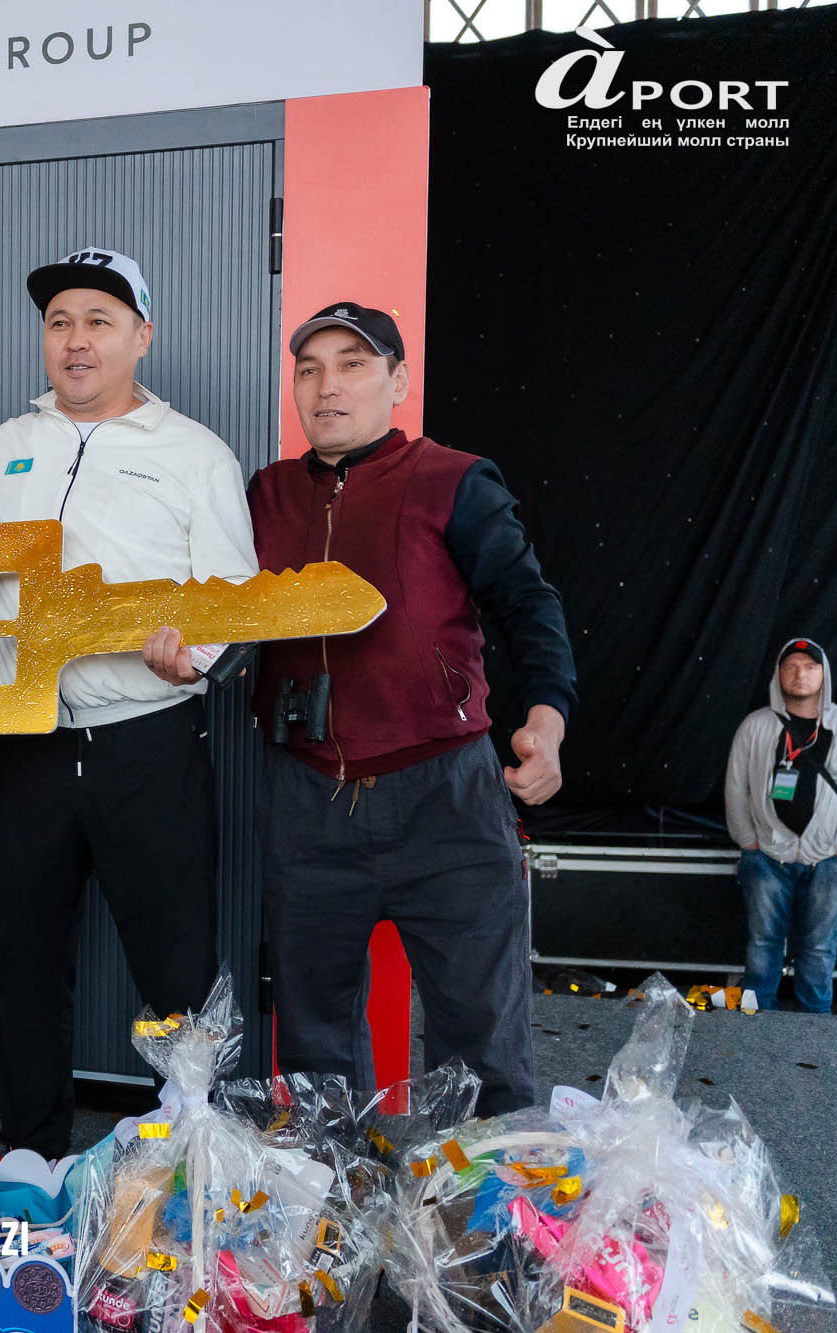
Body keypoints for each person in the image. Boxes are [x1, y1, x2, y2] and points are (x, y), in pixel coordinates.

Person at [0, 246, 258, 1159]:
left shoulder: (194, 452)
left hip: (147, 742)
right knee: (22, 965)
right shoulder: (1, 447)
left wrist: (193, 656)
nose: (75, 341)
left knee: (176, 967)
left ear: (141, 336)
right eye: (59, 323)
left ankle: (193, 1157)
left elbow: (233, 601)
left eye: (99, 322)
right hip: (23, 743)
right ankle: (29, 1156)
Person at [245, 302, 576, 1116]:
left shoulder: (453, 479)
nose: (327, 386)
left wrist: (547, 718)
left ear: (398, 380)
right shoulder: (267, 493)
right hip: (306, 796)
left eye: (352, 364)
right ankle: (335, 1193)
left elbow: (528, 603)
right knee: (314, 1048)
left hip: (446, 796)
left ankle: (489, 1196)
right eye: (309, 369)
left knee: (481, 1037)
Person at [725, 638, 837, 1013]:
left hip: (829, 860)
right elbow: (737, 788)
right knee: (763, 944)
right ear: (778, 674)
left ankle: (815, 1029)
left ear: (825, 675)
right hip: (766, 856)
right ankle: (756, 1021)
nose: (800, 675)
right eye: (791, 667)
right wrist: (748, 842)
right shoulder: (756, 726)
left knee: (819, 949)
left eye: (810, 667)